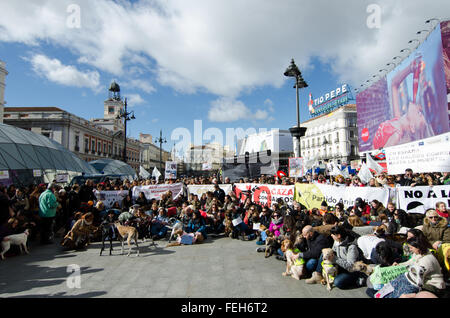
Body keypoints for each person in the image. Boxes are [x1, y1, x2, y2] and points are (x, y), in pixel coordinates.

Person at [367, 235, 446, 298]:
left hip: (432, 286)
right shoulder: (419, 254)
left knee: (396, 288)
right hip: (417, 279)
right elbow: (410, 263)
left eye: (411, 248)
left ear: (418, 247)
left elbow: (415, 278)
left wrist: (394, 275)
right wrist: (399, 265)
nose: (410, 250)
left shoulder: (426, 261)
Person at [306, 225, 364, 289]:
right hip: (340, 266)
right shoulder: (337, 241)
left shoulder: (351, 247)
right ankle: (318, 275)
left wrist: (335, 259)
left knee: (338, 282)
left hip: (350, 271)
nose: (331, 235)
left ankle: (355, 280)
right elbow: (333, 251)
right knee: (324, 254)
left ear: (338, 236)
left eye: (332, 234)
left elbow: (351, 266)